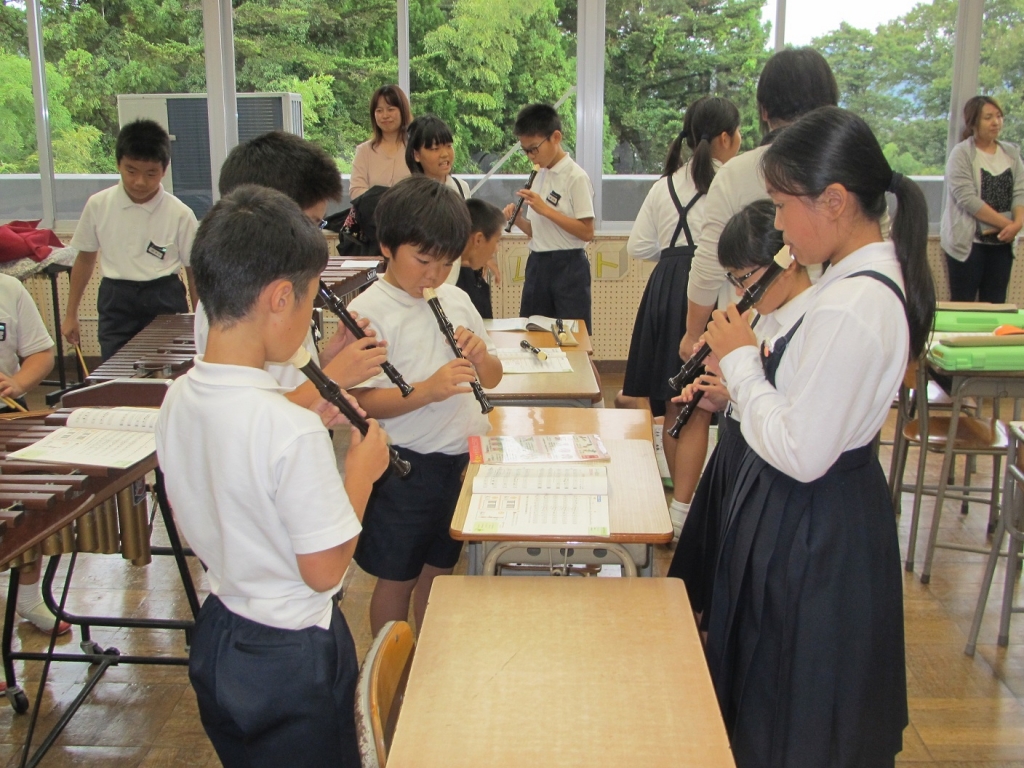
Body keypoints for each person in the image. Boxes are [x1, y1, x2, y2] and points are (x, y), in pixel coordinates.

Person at [699, 106, 933, 766]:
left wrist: (742, 362)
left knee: (799, 719)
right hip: (811, 515)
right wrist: (744, 379)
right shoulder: (843, 285)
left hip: (815, 526)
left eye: (781, 205)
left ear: (833, 201)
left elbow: (802, 451)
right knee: (775, 705)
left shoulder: (855, 306)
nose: (776, 225)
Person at [156, 185, 390, 768]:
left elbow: (237, 457)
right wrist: (361, 473)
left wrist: (310, 403)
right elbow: (325, 571)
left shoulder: (179, 396)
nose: (311, 319)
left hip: (220, 633)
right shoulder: (291, 430)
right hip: (292, 655)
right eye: (311, 304)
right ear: (281, 297)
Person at [348, 176, 503, 636]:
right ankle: (390, 667)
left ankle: (429, 660)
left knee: (439, 573)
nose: (434, 274)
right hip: (405, 468)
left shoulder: (456, 299)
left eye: (446, 262)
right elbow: (362, 401)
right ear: (387, 246)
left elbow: (493, 377)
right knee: (397, 578)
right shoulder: (370, 311)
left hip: (461, 460)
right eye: (423, 260)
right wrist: (428, 390)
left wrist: (481, 357)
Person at [665, 200, 813, 632]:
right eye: (732, 280)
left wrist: (737, 382)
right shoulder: (765, 317)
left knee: (735, 601)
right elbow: (751, 394)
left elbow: (787, 417)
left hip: (767, 473)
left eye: (743, 278)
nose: (738, 293)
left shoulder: (808, 324)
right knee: (702, 588)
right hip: (733, 459)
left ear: (786, 262)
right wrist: (720, 393)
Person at [194, 131, 388, 406]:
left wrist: (325, 361)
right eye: (310, 223)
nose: (314, 238)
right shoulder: (234, 302)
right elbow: (246, 415)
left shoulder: (278, 282)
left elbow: (286, 385)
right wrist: (335, 378)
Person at [622, 95, 741, 538]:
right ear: (726, 137)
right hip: (710, 291)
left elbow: (638, 246)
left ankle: (678, 507)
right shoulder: (734, 182)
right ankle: (684, 509)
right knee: (700, 407)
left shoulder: (665, 185)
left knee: (675, 405)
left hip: (666, 289)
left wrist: (672, 256)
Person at [681, 48, 839, 362]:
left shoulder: (737, 172)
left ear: (764, 111)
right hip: (830, 329)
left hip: (751, 335)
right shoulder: (846, 171)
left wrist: (692, 335)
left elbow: (708, 265)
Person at [64, 119, 198, 361]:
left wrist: (201, 321)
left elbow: (194, 271)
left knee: (168, 369)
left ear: (164, 170)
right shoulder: (98, 205)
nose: (140, 182)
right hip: (116, 299)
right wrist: (70, 314)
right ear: (118, 163)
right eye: (131, 171)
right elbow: (85, 259)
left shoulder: (181, 214)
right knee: (116, 371)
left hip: (164, 296)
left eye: (151, 173)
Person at [0, 273, 71, 635]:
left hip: (9, 417)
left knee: (28, 507)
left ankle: (28, 599)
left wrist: (18, 382)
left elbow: (41, 354)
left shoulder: (9, 289)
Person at [504, 103, 595, 333]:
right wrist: (519, 221)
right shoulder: (539, 174)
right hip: (538, 263)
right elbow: (537, 231)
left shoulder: (576, 177)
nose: (530, 156)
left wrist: (546, 210)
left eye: (534, 149)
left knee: (571, 336)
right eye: (525, 151)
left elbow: (587, 231)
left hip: (569, 266)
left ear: (555, 137)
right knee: (532, 331)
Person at [941, 95, 1024, 303]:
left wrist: (1018, 224)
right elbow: (967, 199)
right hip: (968, 245)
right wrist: (1008, 225)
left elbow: (1020, 191)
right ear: (973, 122)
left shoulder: (1011, 153)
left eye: (999, 116)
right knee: (963, 302)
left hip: (1002, 243)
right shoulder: (961, 153)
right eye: (988, 117)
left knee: (996, 303)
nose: (996, 122)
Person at [406, 114, 472, 284]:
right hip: (423, 283)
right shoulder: (409, 194)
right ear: (416, 155)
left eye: (448, 146)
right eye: (435, 149)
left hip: (455, 281)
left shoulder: (461, 187)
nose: (444, 154)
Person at [349, 84, 413, 200]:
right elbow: (356, 191)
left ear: (403, 111)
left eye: (390, 109)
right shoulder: (364, 151)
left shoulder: (416, 149)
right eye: (379, 110)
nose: (385, 115)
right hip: (373, 211)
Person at [456, 198, 505, 319]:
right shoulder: (445, 273)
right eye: (497, 241)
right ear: (478, 239)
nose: (496, 249)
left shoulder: (453, 264)